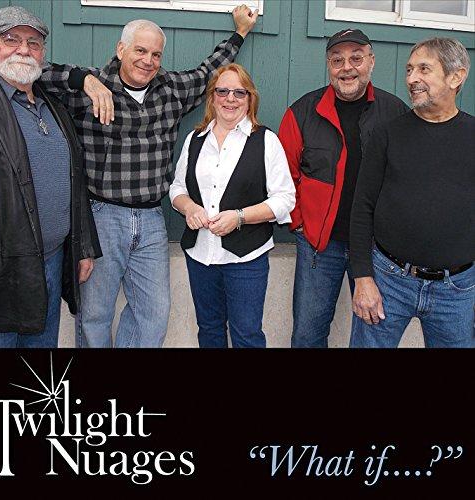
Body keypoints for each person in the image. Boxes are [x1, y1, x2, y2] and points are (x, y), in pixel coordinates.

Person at [39, 6, 258, 348]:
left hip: (152, 218)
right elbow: (33, 71)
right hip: (102, 216)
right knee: (95, 314)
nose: (148, 60)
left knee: (154, 313)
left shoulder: (171, 89)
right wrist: (84, 80)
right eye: (140, 50)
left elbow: (208, 72)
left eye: (156, 54)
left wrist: (240, 32)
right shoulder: (92, 87)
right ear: (121, 49)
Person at [0, 6, 101, 348]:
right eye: (11, 39)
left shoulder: (52, 105)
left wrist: (81, 247)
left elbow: (74, 182)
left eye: (33, 43)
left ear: (42, 53)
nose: (23, 49)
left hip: (51, 261)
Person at [278, 28, 408, 348]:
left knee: (372, 333)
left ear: (371, 61)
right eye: (337, 60)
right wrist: (300, 224)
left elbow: (407, 177)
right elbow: (282, 175)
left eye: (356, 58)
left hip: (377, 248)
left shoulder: (395, 113)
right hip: (320, 247)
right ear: (328, 66)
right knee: (307, 335)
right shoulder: (302, 112)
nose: (346, 67)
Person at [350, 38, 474, 348]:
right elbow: (362, 207)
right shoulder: (388, 134)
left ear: (456, 77)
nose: (411, 79)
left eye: (423, 69)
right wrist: (363, 278)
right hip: (388, 280)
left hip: (458, 290)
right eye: (409, 70)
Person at [169, 64, 295, 348]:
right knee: (209, 330)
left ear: (250, 98)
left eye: (239, 92)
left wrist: (239, 217)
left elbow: (285, 199)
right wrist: (189, 208)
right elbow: (177, 187)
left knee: (246, 335)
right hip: (200, 256)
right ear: (212, 97)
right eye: (222, 91)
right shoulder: (195, 139)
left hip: (246, 259)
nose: (230, 98)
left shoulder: (266, 140)